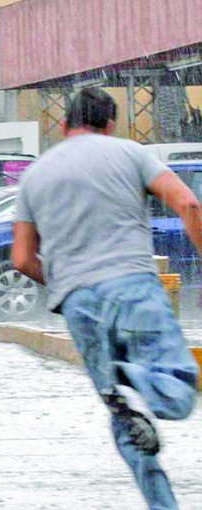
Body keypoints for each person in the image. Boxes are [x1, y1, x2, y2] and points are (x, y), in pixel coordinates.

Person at [12, 88, 200, 509]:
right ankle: (138, 385)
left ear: (64, 126)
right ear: (111, 124)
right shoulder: (130, 153)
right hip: (132, 284)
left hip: (78, 304)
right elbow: (187, 203)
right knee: (178, 383)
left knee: (126, 421)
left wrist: (66, 281)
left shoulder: (35, 175)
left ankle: (162, 503)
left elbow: (22, 259)